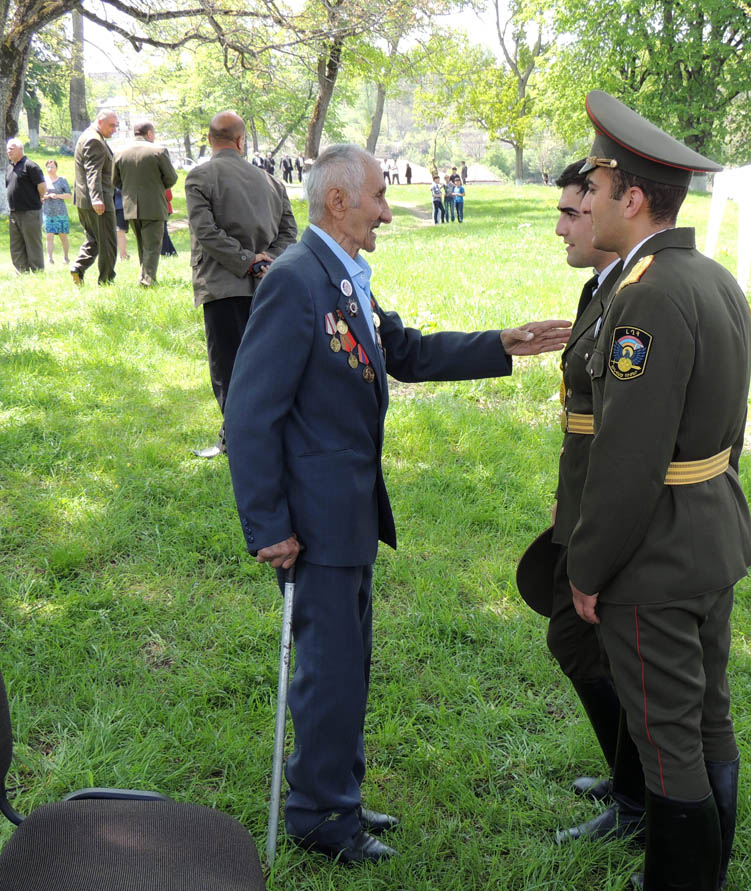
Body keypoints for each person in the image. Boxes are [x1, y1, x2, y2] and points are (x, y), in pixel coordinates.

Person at [224, 143, 572, 866]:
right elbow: (250, 416)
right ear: (340, 202)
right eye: (381, 196)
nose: (389, 208)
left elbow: (401, 350)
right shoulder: (296, 282)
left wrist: (500, 344)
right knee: (326, 673)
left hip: (347, 514)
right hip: (313, 524)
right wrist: (269, 526)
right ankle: (319, 815)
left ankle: (337, 795)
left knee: (347, 667)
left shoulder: (341, 275)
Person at [564, 90, 751, 891]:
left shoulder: (645, 296)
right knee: (707, 717)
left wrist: (587, 566)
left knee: (669, 737)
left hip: (655, 557)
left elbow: (630, 459)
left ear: (631, 197)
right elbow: (728, 429)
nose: (588, 203)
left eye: (597, 190)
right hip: (710, 533)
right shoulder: (710, 278)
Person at [519, 158, 652, 848]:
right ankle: (627, 777)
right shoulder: (602, 289)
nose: (566, 226)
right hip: (585, 498)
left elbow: (628, 436)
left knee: (597, 646)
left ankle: (637, 798)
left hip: (614, 509)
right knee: (581, 643)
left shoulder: (635, 294)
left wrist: (594, 528)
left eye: (577, 210)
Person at [185, 111, 297, 459]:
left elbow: (206, 233)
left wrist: (247, 261)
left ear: (210, 140)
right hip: (268, 286)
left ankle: (237, 439)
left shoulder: (199, 177)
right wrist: (267, 261)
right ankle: (268, 434)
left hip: (223, 286)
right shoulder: (272, 182)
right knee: (267, 365)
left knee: (228, 367)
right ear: (240, 141)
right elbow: (289, 233)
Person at [113, 120, 178, 287]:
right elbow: (171, 178)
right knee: (153, 245)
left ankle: (144, 276)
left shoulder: (120, 152)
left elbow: (116, 180)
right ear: (149, 134)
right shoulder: (159, 151)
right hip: (154, 204)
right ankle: (147, 280)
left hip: (130, 205)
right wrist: (157, 187)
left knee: (143, 244)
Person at [71, 108, 119, 285]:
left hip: (84, 199)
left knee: (94, 239)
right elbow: (93, 172)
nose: (114, 129)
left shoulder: (87, 136)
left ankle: (78, 268)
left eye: (116, 126)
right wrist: (97, 198)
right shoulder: (94, 140)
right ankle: (106, 280)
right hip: (98, 201)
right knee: (108, 242)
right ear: (100, 122)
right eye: (111, 125)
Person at [5, 138, 46, 273]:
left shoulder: (30, 166)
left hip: (30, 212)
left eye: (11, 148)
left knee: (32, 243)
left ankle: (37, 271)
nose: (8, 151)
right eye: (8, 148)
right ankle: (22, 271)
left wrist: (41, 197)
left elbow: (41, 185)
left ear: (20, 149)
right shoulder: (10, 167)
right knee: (16, 244)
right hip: (14, 213)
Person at [41, 159, 71, 264]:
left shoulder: (62, 180)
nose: (50, 169)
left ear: (56, 168)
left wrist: (57, 196)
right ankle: (50, 259)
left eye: (52, 167)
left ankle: (66, 257)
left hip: (60, 212)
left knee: (63, 236)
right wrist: (44, 196)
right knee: (49, 236)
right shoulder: (43, 180)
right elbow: (39, 195)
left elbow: (69, 195)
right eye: (48, 167)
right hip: (47, 212)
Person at [113, 188, 130, 260]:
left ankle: (123, 255)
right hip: (109, 207)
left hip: (121, 206)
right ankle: (123, 254)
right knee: (114, 233)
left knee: (120, 232)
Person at [160, 188, 177, 257]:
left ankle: (165, 252)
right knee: (163, 232)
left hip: (164, 209)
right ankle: (172, 252)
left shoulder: (163, 180)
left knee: (163, 232)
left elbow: (169, 196)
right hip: (159, 210)